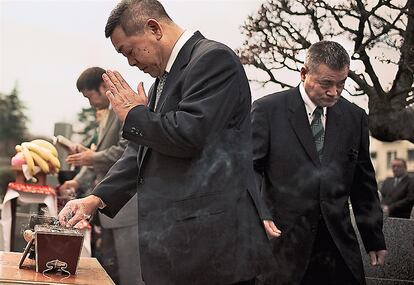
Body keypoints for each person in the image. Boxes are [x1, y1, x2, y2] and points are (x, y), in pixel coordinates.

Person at [58, 1, 273, 285]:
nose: (131, 62)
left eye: (129, 51)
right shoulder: (161, 81)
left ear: (154, 28)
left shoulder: (213, 60)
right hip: (177, 247)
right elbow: (142, 151)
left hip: (211, 250)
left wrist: (135, 115)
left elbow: (191, 134)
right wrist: (96, 198)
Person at [251, 41, 387, 285]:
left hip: (338, 249)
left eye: (342, 84)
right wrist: (259, 213)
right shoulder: (267, 110)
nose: (334, 92)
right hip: (284, 247)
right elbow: (249, 169)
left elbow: (363, 183)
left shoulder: (355, 118)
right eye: (326, 84)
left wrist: (374, 237)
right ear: (304, 73)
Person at [59, 67, 143, 285]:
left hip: (125, 204)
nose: (90, 103)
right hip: (105, 207)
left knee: (131, 271)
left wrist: (92, 157)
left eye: (90, 96)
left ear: (104, 87)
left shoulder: (124, 111)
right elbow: (95, 155)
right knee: (109, 269)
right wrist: (78, 178)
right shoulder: (104, 117)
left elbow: (128, 151)